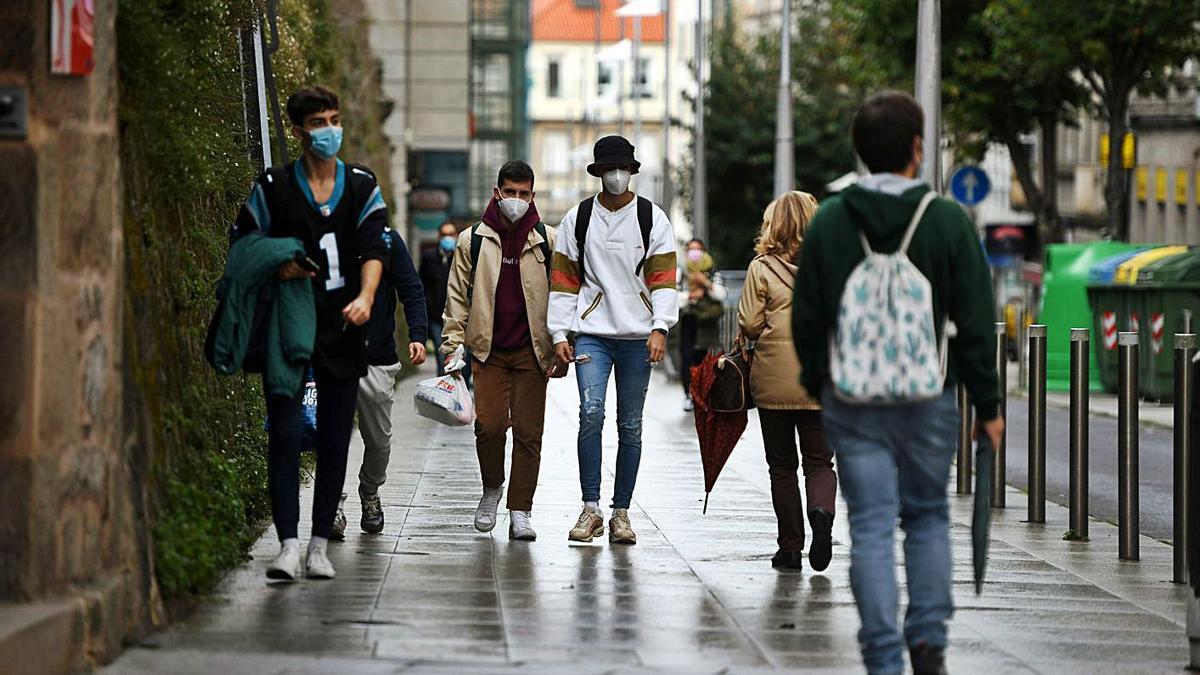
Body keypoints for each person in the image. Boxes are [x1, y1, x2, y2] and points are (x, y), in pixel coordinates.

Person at [792, 90, 1003, 675]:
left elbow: (807, 317)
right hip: (927, 395)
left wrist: (822, 382)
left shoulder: (832, 220)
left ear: (859, 151)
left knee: (871, 527)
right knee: (928, 515)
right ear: (917, 148)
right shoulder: (945, 221)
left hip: (852, 399)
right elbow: (975, 320)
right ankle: (929, 637)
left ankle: (883, 655)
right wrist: (988, 403)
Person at [231, 85, 388, 581]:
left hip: (342, 325)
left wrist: (365, 298)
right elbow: (244, 241)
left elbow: (375, 249)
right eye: (319, 123)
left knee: (337, 437)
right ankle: (288, 545)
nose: (330, 131)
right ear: (298, 131)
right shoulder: (275, 186)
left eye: (335, 119)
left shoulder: (361, 185)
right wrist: (276, 264)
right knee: (283, 431)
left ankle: (320, 543)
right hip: (289, 323)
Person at [548, 135, 678, 545]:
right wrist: (558, 332)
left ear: (632, 172)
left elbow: (664, 279)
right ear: (599, 173)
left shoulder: (652, 218)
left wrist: (661, 326)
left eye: (622, 169)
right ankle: (591, 509)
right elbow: (564, 280)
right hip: (592, 335)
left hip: (639, 336)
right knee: (591, 413)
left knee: (631, 425)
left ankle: (621, 512)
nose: (616, 176)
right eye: (609, 169)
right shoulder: (579, 218)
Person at [441, 160, 558, 541]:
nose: (517, 200)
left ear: (533, 196)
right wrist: (452, 344)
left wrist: (561, 339)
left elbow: (564, 295)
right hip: (487, 349)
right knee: (489, 427)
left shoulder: (548, 239)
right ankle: (492, 489)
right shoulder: (472, 239)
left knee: (529, 433)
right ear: (497, 192)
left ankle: (521, 510)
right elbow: (457, 297)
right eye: (510, 192)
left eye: (524, 194)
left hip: (532, 352)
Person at [737, 191, 835, 573]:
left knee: (781, 466)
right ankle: (822, 511)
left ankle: (790, 549)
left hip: (773, 381)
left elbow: (749, 324)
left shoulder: (761, 268)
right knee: (819, 461)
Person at [331, 225, 428, 539]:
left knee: (379, 441)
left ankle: (370, 490)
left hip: (377, 358)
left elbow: (411, 289)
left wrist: (417, 335)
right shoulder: (324, 233)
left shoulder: (387, 239)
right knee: (331, 436)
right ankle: (331, 504)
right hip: (331, 356)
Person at [678, 238, 727, 411]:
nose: (694, 253)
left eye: (698, 249)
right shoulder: (681, 271)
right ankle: (688, 394)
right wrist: (691, 296)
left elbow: (721, 294)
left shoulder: (712, 270)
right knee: (686, 356)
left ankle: (703, 393)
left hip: (707, 321)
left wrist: (705, 285)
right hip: (688, 319)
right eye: (691, 249)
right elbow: (673, 297)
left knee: (704, 358)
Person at [421, 222, 458, 376]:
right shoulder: (429, 257)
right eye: (444, 234)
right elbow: (421, 284)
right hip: (436, 317)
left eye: (451, 234)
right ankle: (442, 391)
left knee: (460, 357)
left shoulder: (461, 257)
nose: (447, 238)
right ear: (439, 236)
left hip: (457, 317)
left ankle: (457, 391)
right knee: (441, 353)